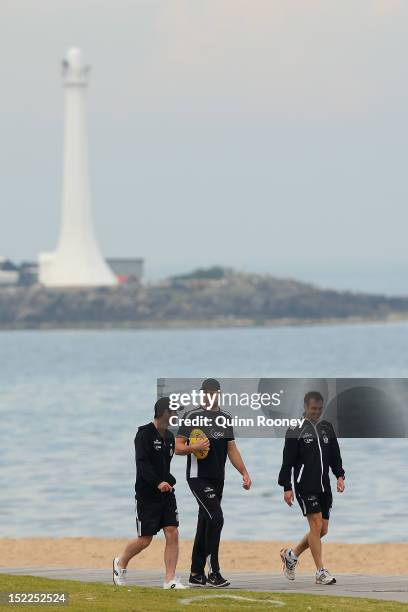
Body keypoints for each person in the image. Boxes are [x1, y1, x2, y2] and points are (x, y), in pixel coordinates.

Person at [175, 378, 252, 588]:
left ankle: (195, 572)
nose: (208, 396)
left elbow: (231, 449)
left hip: (219, 478)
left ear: (218, 394)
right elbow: (177, 447)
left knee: (206, 521)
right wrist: (194, 446)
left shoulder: (225, 418)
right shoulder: (192, 416)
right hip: (197, 477)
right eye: (205, 393)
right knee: (216, 518)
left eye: (212, 392)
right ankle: (214, 572)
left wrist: (244, 472)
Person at [113, 397, 187, 589]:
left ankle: (169, 579)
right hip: (147, 495)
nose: (176, 416)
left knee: (172, 532)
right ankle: (120, 563)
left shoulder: (170, 438)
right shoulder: (144, 434)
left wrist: (168, 481)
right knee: (145, 540)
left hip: (166, 494)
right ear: (164, 413)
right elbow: (143, 465)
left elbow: (164, 466)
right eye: (173, 412)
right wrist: (158, 482)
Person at [278, 390, 345, 585]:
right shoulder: (295, 429)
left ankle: (292, 554)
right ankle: (320, 572)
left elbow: (335, 455)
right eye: (313, 409)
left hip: (324, 486)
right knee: (315, 525)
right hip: (304, 485)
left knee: (322, 530)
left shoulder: (327, 428)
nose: (316, 412)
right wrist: (286, 486)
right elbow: (287, 461)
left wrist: (339, 475)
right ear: (305, 407)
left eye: (319, 409)